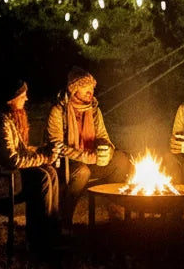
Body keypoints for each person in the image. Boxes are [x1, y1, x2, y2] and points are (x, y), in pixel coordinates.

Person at [0, 78, 62, 254]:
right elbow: (14, 159)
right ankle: (39, 244)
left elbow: (20, 151)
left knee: (49, 172)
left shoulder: (4, 119)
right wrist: (44, 156)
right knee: (40, 178)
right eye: (23, 96)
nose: (26, 99)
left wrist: (42, 152)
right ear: (11, 99)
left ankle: (51, 234)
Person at [45, 66, 130, 224]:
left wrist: (107, 151)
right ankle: (63, 220)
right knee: (82, 172)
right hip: (66, 163)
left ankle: (116, 214)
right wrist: (85, 157)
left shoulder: (94, 110)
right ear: (74, 90)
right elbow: (56, 145)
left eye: (92, 89)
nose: (90, 93)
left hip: (91, 159)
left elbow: (103, 137)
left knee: (121, 160)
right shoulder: (59, 111)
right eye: (86, 90)